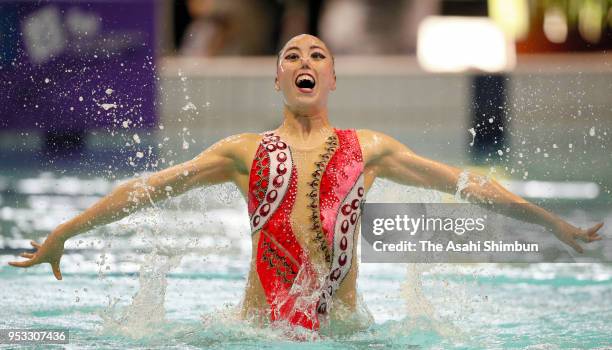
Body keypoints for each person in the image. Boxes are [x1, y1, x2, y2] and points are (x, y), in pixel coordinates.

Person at [9, 34, 604, 332]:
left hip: (346, 335)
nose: (304, 63)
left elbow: (468, 185)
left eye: (317, 56)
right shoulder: (244, 153)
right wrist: (64, 231)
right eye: (292, 56)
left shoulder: (369, 149)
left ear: (333, 79)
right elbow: (145, 190)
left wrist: (551, 222)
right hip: (256, 333)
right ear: (277, 80)